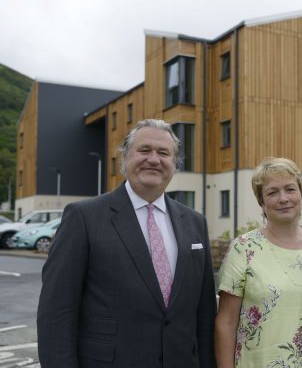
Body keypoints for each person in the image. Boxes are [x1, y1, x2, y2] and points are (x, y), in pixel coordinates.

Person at [37, 119, 216, 367]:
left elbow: (205, 314)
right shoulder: (84, 217)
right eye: (144, 150)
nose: (154, 159)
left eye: (163, 153)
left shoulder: (195, 223)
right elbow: (57, 313)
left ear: (175, 164)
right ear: (124, 159)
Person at [215, 157, 302, 368]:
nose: (283, 198)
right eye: (272, 192)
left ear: (301, 195)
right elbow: (225, 323)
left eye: (290, 189)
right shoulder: (244, 249)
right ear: (262, 202)